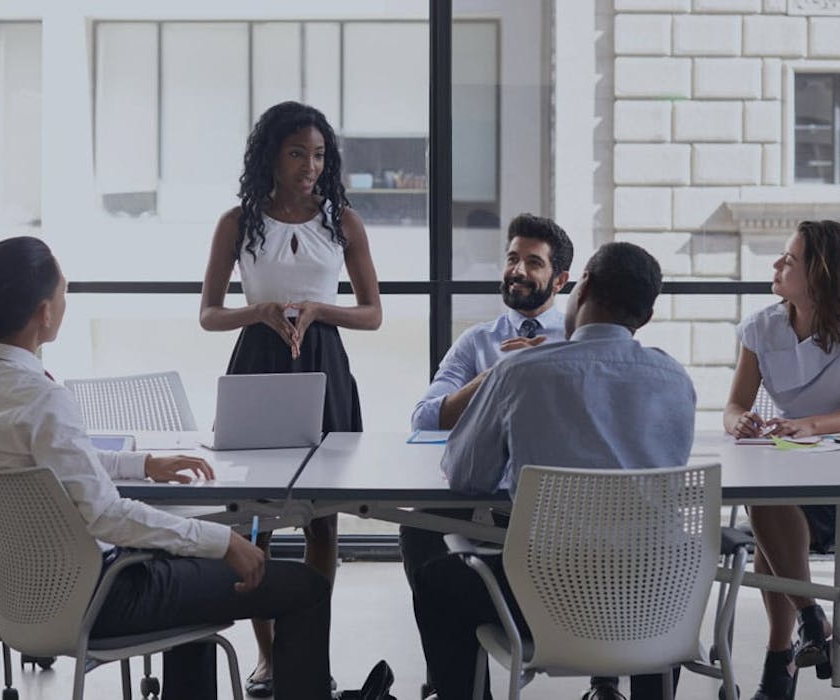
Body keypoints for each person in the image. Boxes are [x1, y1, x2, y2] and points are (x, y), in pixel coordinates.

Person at [0, 236, 334, 700]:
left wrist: (143, 463)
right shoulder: (42, 398)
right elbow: (106, 516)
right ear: (45, 312)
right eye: (64, 296)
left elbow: (50, 468)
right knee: (304, 586)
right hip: (103, 596)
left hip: (23, 598)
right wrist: (224, 540)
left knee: (193, 572)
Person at [412, 242, 697, 700]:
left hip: (542, 597)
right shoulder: (675, 378)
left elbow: (467, 477)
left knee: (438, 581)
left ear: (581, 288)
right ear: (643, 317)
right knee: (654, 568)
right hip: (651, 601)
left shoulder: (520, 374)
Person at [200, 100, 381, 697]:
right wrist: (261, 311)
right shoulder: (237, 222)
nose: (310, 166)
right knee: (255, 521)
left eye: (319, 154)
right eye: (298, 153)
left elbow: (373, 314)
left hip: (324, 364)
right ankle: (269, 657)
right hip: (259, 363)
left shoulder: (343, 222)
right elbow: (208, 315)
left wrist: (319, 309)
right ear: (271, 157)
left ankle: (310, 653)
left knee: (322, 519)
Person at [723, 220, 840, 700]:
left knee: (768, 530)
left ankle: (783, 659)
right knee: (767, 504)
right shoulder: (761, 328)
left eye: (789, 260)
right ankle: (811, 620)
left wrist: (811, 425)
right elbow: (734, 405)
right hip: (790, 473)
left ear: (819, 274)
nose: (776, 266)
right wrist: (739, 422)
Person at [410, 213, 573, 432]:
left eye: (533, 263)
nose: (518, 271)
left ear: (559, 281)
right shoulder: (476, 340)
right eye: (513, 259)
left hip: (556, 465)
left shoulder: (576, 340)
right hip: (488, 465)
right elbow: (424, 422)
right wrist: (497, 374)